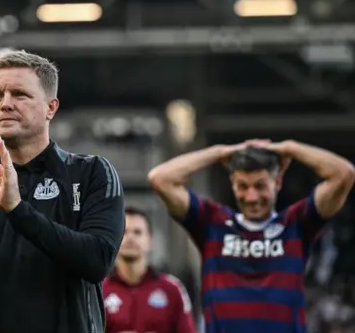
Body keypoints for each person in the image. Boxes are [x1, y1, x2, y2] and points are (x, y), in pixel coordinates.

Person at [0, 50, 126, 333]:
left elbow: (97, 261)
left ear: (50, 108)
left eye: (19, 94)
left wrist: (19, 211)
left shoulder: (91, 173)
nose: (5, 104)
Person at [147, 139, 355, 332]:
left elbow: (344, 174)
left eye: (260, 185)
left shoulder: (297, 223)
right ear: (233, 185)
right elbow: (161, 178)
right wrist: (219, 152)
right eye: (242, 186)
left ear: (278, 183)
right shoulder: (211, 223)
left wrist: (290, 148)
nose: (252, 197)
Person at [103, 205, 197, 333]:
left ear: (149, 241)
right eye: (124, 232)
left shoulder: (172, 289)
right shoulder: (100, 290)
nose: (130, 238)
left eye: (137, 232)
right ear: (114, 239)